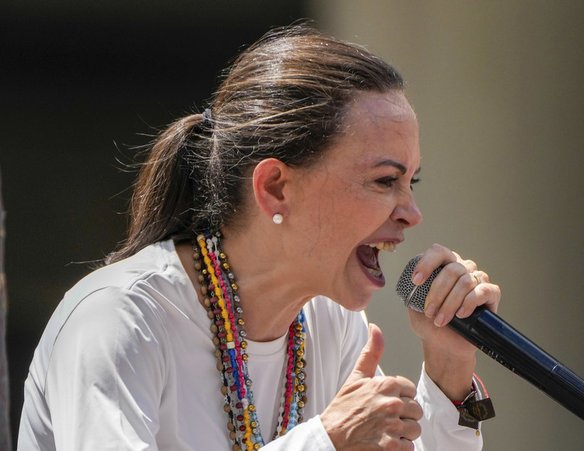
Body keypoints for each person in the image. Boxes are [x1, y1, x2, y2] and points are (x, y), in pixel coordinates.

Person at [18, 24, 501, 451]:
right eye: (383, 181)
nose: (412, 214)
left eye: (409, 182)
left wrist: (448, 371)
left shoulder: (331, 324)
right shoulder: (120, 318)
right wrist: (324, 441)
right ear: (275, 188)